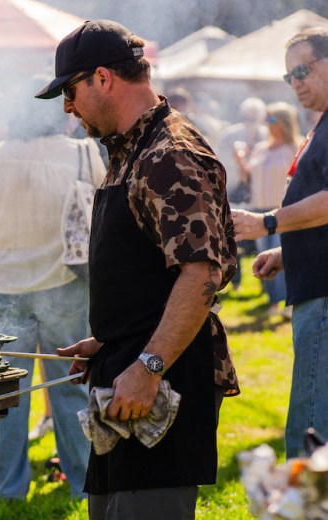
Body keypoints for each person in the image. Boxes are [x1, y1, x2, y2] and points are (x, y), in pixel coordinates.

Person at [35, 20, 238, 519]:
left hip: (163, 380)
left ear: (102, 78)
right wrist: (111, 339)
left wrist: (148, 367)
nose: (67, 106)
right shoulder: (129, 151)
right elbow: (152, 272)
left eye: (69, 90)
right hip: (125, 371)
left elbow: (202, 275)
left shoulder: (171, 154)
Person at [0, 82, 105, 499]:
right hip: (64, 282)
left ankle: (7, 488)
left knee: (8, 393)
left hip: (2, 286)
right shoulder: (82, 152)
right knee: (69, 385)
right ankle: (82, 484)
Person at [232, 27, 328, 459]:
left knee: (311, 430)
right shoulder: (321, 123)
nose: (296, 82)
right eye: (289, 75)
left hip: (324, 298)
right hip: (315, 288)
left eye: (304, 70)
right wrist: (286, 252)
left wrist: (267, 222)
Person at [233, 101, 302, 318]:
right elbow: (248, 177)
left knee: (281, 256)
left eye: (270, 119)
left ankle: (286, 302)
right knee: (264, 256)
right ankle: (274, 301)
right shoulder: (262, 148)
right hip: (259, 210)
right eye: (266, 119)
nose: (266, 124)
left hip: (283, 210)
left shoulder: (296, 147)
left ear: (284, 121)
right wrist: (240, 159)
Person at [215, 97, 269, 205]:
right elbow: (220, 160)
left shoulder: (268, 135)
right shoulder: (230, 135)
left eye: (253, 119)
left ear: (261, 118)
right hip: (235, 187)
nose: (248, 122)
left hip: (263, 187)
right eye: (245, 118)